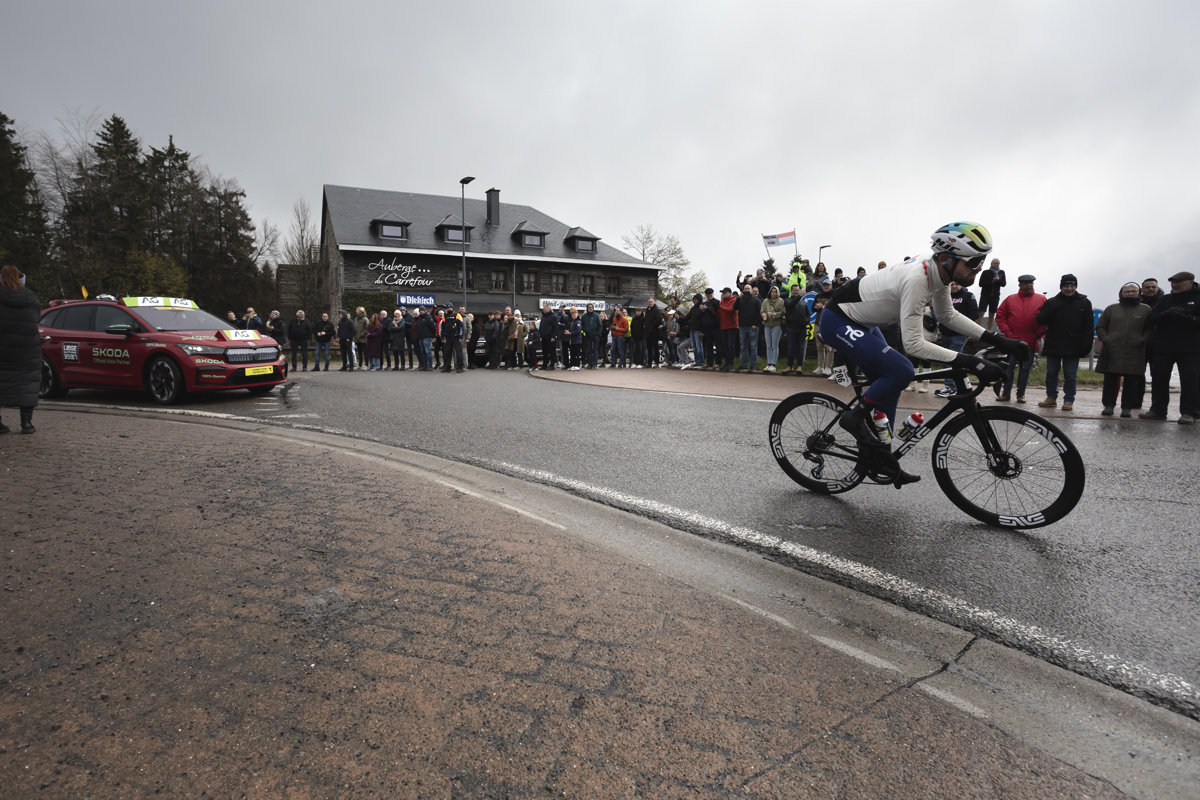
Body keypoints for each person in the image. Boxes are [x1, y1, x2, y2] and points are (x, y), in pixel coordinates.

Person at [819, 222, 1025, 484]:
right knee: (902, 370)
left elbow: (947, 315)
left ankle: (880, 456)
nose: (980, 268)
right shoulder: (919, 279)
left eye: (982, 261)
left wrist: (996, 338)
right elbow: (914, 345)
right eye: (974, 262)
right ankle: (853, 417)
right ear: (947, 258)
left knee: (890, 383)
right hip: (838, 321)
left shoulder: (939, 272)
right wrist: (972, 362)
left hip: (863, 322)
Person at [1140, 271, 1199, 424]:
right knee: (1159, 379)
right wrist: (1166, 314)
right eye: (1173, 282)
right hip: (1164, 347)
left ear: (1191, 282)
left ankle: (1189, 413)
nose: (1175, 285)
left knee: (1190, 381)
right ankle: (1158, 410)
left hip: (1190, 348)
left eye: (1179, 282)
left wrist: (1189, 318)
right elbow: (1152, 318)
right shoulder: (1165, 300)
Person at [1036, 274, 1094, 412]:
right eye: (1066, 286)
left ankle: (1069, 400)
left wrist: (1086, 345)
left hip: (1074, 345)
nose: (1069, 289)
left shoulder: (1084, 302)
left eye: (1072, 286)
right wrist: (1054, 309)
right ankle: (1051, 397)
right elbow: (1040, 320)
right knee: (1051, 373)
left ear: (1076, 287)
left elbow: (1088, 326)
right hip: (1054, 343)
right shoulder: (1052, 302)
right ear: (1061, 287)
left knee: (1070, 374)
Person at [1096, 283, 1152, 417]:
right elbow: (1101, 327)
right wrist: (1107, 339)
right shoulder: (1111, 309)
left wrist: (1143, 340)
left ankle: (1127, 407)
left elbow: (1150, 328)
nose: (1131, 294)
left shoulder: (1146, 309)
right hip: (1112, 349)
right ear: (1121, 293)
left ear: (1139, 293)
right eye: (1127, 291)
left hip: (1135, 349)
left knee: (1132, 381)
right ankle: (1108, 406)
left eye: (1134, 291)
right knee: (1110, 380)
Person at [0, 265, 41, 433]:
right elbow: (36, 320)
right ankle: (26, 423)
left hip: (2, 349)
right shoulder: (32, 300)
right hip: (27, 350)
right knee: (27, 383)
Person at [994, 274, 1045, 403]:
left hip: (1030, 341)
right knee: (1009, 367)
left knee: (1025, 369)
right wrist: (1008, 332)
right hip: (1012, 341)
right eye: (1026, 283)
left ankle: (1021, 394)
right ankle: (1006, 392)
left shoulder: (1041, 299)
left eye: (1031, 283)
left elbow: (1047, 320)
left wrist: (1037, 335)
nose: (1029, 285)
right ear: (1020, 284)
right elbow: (1000, 316)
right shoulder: (1010, 299)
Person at [933, 280, 979, 398]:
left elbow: (974, 313)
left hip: (959, 334)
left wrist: (962, 325)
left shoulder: (968, 296)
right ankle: (960, 385)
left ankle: (950, 387)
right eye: (951, 285)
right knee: (947, 360)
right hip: (946, 333)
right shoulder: (945, 297)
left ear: (961, 284)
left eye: (956, 284)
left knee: (952, 359)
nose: (954, 286)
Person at [782, 284, 810, 375]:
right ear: (791, 291)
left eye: (798, 290)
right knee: (790, 348)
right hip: (791, 328)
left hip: (802, 329)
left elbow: (808, 314)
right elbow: (790, 305)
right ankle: (789, 366)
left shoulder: (803, 303)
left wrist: (806, 321)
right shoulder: (787, 300)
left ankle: (799, 366)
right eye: (795, 290)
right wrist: (799, 296)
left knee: (801, 348)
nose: (796, 292)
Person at [733, 284, 761, 373]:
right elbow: (734, 308)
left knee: (753, 347)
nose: (747, 290)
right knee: (743, 347)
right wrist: (738, 298)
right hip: (742, 327)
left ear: (752, 290)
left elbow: (759, 313)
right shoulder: (741, 300)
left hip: (752, 327)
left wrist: (755, 324)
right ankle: (744, 364)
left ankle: (753, 365)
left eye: (748, 288)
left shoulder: (756, 300)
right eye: (745, 289)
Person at [811, 276, 835, 375]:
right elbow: (813, 308)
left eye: (827, 285)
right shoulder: (818, 295)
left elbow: (834, 308)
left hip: (830, 324)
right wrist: (817, 307)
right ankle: (820, 366)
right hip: (818, 323)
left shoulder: (834, 295)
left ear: (831, 285)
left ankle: (828, 367)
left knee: (830, 347)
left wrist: (823, 306)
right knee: (819, 346)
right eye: (824, 285)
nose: (826, 287)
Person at [976, 258, 1007, 331]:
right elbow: (981, 284)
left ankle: (989, 331)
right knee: (981, 313)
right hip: (985, 295)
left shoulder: (1001, 272)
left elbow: (1004, 284)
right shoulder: (986, 272)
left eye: (998, 263)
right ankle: (977, 330)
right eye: (995, 263)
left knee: (992, 314)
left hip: (995, 296)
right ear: (991, 264)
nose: (997, 265)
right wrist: (992, 281)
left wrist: (998, 280)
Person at [760, 285, 785, 373]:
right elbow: (762, 310)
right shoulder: (765, 301)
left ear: (777, 292)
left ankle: (773, 364)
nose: (773, 293)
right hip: (767, 325)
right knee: (768, 345)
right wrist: (764, 315)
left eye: (775, 292)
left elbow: (783, 312)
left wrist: (773, 315)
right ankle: (769, 363)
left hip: (776, 324)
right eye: (772, 292)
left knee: (775, 345)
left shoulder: (781, 301)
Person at [717, 287, 739, 372]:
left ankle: (731, 363)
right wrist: (716, 308)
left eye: (724, 292)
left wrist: (719, 307)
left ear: (729, 293)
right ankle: (726, 363)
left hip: (732, 326)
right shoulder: (721, 302)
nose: (723, 294)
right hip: (724, 326)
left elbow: (730, 310)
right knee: (725, 346)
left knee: (730, 345)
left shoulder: (733, 300)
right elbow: (717, 314)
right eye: (722, 292)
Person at [440, 308, 464, 373]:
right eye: (447, 308)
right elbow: (442, 327)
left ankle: (460, 367)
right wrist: (442, 337)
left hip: (456, 337)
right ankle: (447, 367)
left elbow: (462, 326)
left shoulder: (457, 315)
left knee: (458, 353)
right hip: (448, 337)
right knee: (447, 353)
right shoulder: (445, 316)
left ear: (452, 308)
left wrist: (461, 336)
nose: (449, 309)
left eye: (450, 307)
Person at [538, 304, 560, 371]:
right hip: (544, 336)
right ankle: (544, 365)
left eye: (545, 308)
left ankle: (552, 364)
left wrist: (553, 336)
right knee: (545, 352)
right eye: (543, 308)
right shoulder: (543, 316)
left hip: (550, 337)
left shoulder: (553, 316)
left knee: (552, 352)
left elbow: (556, 327)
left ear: (549, 308)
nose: (544, 309)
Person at [644, 298, 664, 368]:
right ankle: (649, 363)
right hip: (648, 333)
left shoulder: (656, 310)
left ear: (654, 302)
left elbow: (657, 319)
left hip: (654, 332)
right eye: (649, 302)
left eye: (651, 302)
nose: (650, 303)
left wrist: (651, 327)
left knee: (655, 348)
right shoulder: (647, 310)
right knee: (649, 348)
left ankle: (656, 362)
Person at [581, 304, 601, 368]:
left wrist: (598, 334)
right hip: (588, 336)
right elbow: (582, 325)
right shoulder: (584, 317)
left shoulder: (596, 316)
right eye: (589, 307)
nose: (590, 308)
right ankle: (590, 364)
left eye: (591, 307)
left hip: (595, 336)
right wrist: (585, 331)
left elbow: (600, 325)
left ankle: (595, 364)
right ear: (587, 308)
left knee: (595, 351)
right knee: (589, 351)